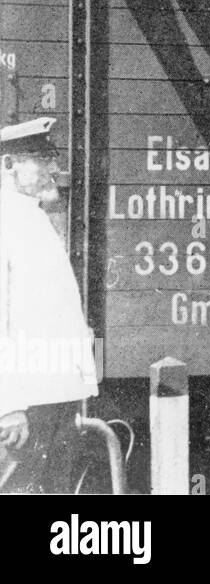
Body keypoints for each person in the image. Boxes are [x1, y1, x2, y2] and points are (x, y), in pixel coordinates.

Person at [0, 118, 98, 494]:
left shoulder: (31, 217)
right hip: (24, 402)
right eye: (43, 159)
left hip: (50, 396)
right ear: (10, 166)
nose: (55, 168)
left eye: (53, 157)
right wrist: (8, 404)